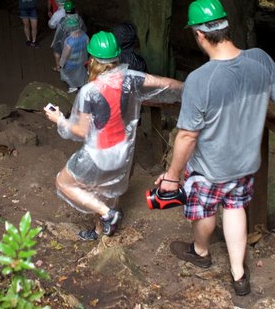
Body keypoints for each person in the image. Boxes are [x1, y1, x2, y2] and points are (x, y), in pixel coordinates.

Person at [156, 0, 275, 297]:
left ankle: (201, 252)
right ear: (226, 27)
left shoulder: (199, 80)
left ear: (199, 34)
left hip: (210, 166)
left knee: (205, 209)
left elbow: (187, 136)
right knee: (234, 209)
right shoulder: (261, 60)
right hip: (245, 164)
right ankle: (239, 274)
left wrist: (172, 175)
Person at [45, 31, 183, 241]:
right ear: (117, 57)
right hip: (122, 152)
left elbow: (81, 131)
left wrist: (59, 120)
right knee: (104, 190)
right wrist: (191, 88)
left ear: (91, 60)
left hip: (99, 154)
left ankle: (109, 214)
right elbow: (167, 83)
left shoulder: (89, 91)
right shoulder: (131, 79)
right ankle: (101, 231)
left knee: (64, 183)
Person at [50, 0, 84, 71]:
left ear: (65, 10)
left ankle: (58, 67)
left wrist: (55, 41)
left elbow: (59, 33)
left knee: (57, 51)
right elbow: (84, 30)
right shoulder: (79, 19)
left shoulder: (63, 20)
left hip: (66, 41)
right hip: (78, 40)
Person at [58, 16, 89, 92]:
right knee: (81, 74)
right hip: (82, 62)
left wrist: (61, 64)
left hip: (71, 63)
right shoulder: (85, 36)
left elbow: (64, 56)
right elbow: (88, 49)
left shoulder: (69, 41)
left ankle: (72, 87)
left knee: (65, 74)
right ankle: (81, 86)